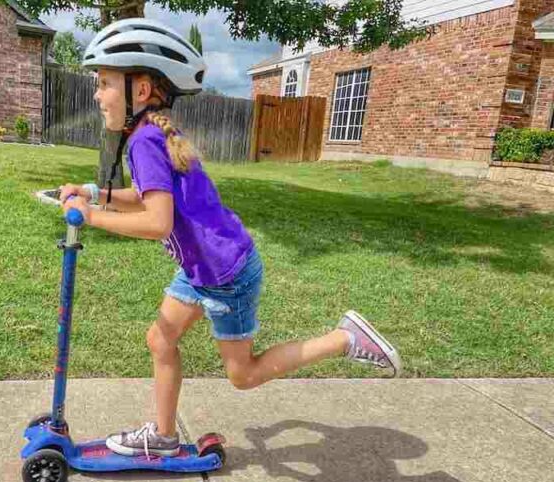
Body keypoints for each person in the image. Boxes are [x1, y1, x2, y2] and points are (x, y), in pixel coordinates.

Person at [58, 18, 402, 459]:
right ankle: (163, 435)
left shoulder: (144, 142)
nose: (96, 94)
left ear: (139, 91)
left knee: (243, 375)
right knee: (160, 340)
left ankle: (344, 339)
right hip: (204, 267)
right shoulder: (154, 133)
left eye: (104, 83)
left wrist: (92, 217)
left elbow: (157, 222)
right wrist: (95, 194)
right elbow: (155, 199)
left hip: (225, 275)